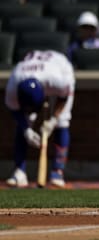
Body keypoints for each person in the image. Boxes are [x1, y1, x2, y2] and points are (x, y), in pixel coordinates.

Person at [4, 50, 75, 188]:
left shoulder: (57, 80)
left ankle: (57, 172)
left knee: (62, 121)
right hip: (38, 71)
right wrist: (27, 130)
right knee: (25, 123)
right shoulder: (13, 84)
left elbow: (64, 96)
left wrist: (53, 120)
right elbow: (14, 109)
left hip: (60, 67)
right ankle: (19, 172)